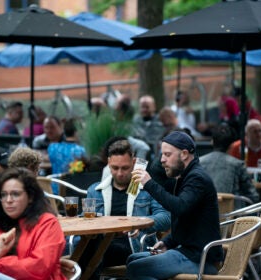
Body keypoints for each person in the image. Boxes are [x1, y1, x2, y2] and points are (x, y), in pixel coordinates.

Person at [126, 131, 223, 279]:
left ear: (184, 154)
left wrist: (149, 183)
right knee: (132, 259)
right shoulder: (186, 176)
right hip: (188, 252)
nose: (162, 160)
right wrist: (167, 242)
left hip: (201, 259)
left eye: (167, 154)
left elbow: (179, 207)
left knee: (136, 268)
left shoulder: (197, 178)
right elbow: (188, 224)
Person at [80, 140, 170, 278]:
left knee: (90, 251)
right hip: (103, 245)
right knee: (87, 245)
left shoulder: (146, 189)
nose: (120, 173)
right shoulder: (95, 190)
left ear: (133, 163)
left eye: (125, 168)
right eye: (115, 168)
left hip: (134, 245)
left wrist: (139, 224)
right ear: (108, 163)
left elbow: (165, 217)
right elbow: (85, 219)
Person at [0, 168, 66, 280]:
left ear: (30, 197)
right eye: (3, 195)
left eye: (15, 194)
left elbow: (40, 268)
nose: (8, 200)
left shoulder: (47, 223)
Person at [200, 124, 259, 203]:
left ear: (212, 142)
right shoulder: (238, 164)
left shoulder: (199, 162)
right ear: (232, 145)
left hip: (205, 213)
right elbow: (253, 196)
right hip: (233, 213)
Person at [132, 95, 164, 160]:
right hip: (139, 155)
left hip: (156, 155)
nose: (144, 110)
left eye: (147, 107)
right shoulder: (135, 121)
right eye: (142, 107)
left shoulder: (161, 121)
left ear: (154, 107)